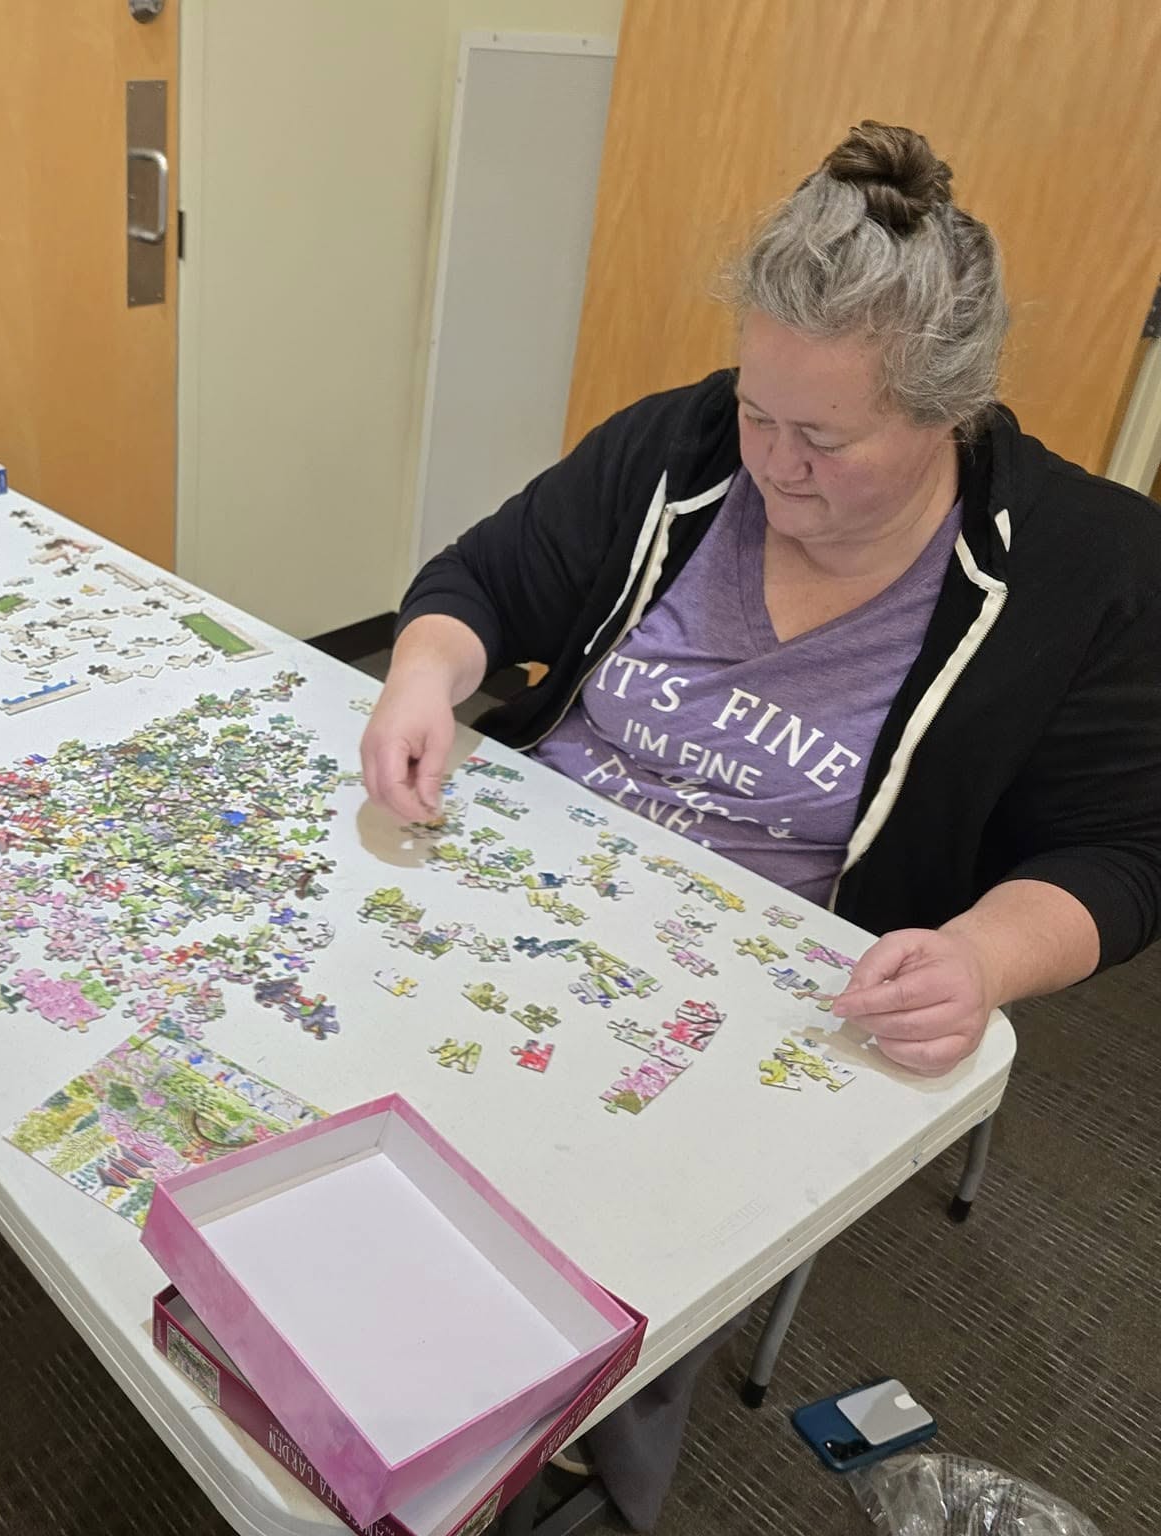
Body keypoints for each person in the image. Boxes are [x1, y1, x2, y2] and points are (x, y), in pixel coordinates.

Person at [362, 121, 1161, 1525]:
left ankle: (566, 1459)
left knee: (560, 1265)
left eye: (824, 439)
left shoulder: (1087, 565)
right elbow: (482, 580)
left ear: (948, 415)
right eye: (756, 414)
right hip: (509, 892)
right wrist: (424, 676)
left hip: (754, 996)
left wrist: (981, 955)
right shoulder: (676, 444)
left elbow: (1123, 851)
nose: (773, 466)